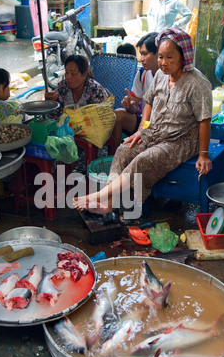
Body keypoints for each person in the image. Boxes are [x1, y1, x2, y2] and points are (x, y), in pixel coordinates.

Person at [73, 28, 212, 217]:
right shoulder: (161, 76)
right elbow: (149, 102)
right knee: (124, 150)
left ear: (184, 56)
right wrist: (141, 130)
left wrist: (203, 155)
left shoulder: (197, 83)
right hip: (154, 132)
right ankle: (109, 204)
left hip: (179, 141)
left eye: (169, 57)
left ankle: (100, 194)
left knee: (142, 160)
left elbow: (204, 120)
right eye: (161, 57)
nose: (163, 63)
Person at [112, 32, 159, 146]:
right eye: (140, 54)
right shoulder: (142, 73)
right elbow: (133, 108)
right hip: (145, 122)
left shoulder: (168, 76)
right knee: (118, 114)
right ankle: (112, 155)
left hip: (160, 126)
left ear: (158, 53)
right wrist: (130, 106)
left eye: (145, 54)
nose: (141, 59)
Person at [45, 54, 106, 120]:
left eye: (73, 73)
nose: (68, 77)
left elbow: (100, 118)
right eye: (66, 72)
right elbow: (54, 117)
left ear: (84, 74)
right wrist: (50, 103)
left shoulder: (95, 90)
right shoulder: (62, 87)